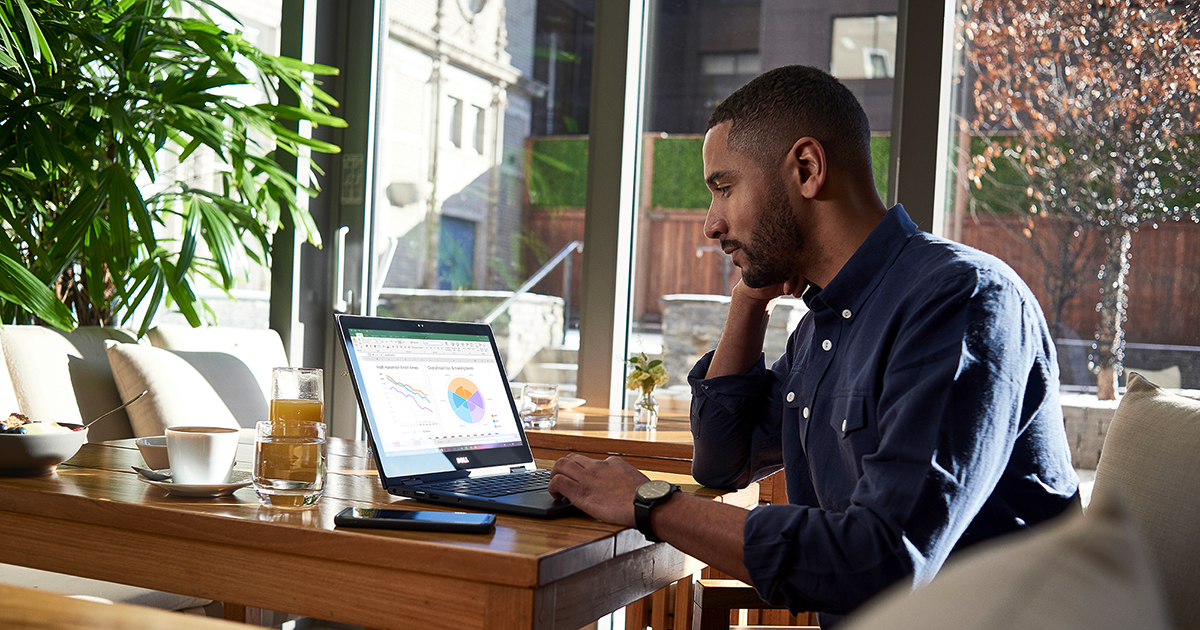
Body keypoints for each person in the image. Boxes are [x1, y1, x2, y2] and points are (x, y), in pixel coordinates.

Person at [547, 65, 1080, 626]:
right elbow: (722, 463)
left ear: (806, 168)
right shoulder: (825, 325)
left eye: (724, 188)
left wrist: (647, 502)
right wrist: (748, 304)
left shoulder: (960, 301)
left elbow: (881, 560)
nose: (710, 224)